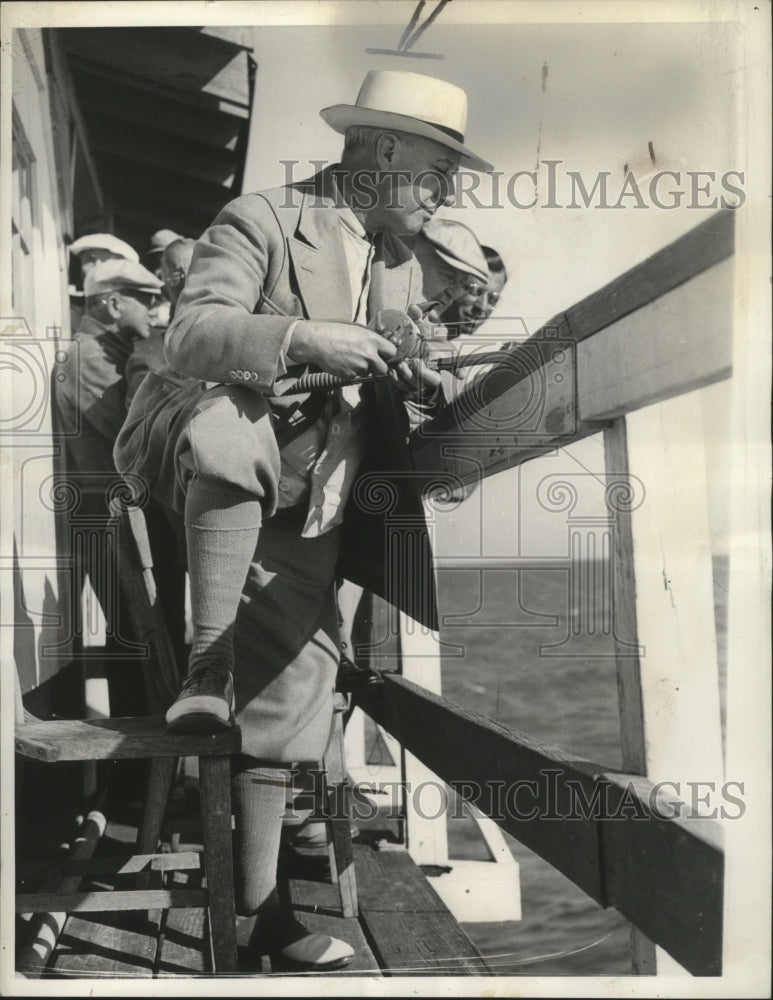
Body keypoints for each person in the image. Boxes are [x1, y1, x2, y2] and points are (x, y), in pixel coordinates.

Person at [115, 68, 491, 971]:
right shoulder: (261, 216)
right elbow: (189, 336)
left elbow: (398, 367)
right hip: (209, 457)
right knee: (230, 418)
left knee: (288, 706)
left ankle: (261, 922)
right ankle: (206, 665)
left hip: (312, 498)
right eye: (439, 172)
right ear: (387, 152)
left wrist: (423, 380)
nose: (446, 194)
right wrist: (298, 340)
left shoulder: (399, 265)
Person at [67, 233, 140, 332]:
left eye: (106, 260)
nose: (97, 267)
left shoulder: (135, 309)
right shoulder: (71, 312)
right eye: (90, 259)